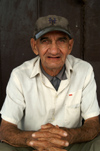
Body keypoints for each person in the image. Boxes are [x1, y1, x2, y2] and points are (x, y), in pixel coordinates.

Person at [0, 15, 100, 151]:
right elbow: (5, 129)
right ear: (35, 46)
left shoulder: (84, 70)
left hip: (70, 145)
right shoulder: (19, 75)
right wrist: (36, 139)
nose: (54, 50)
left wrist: (67, 136)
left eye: (61, 41)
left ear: (70, 46)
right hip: (32, 145)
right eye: (45, 41)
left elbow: (93, 124)